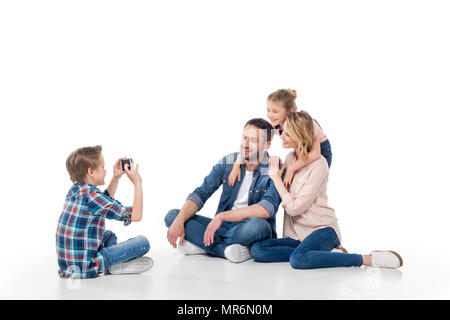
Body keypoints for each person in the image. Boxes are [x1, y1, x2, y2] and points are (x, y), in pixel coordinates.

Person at [250, 111, 403, 269]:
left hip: (322, 230)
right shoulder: (290, 159)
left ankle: (366, 259)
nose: (281, 136)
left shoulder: (319, 166)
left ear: (299, 137)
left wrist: (276, 178)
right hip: (296, 237)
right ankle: (322, 254)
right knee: (258, 250)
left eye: (287, 134)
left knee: (298, 260)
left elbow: (295, 209)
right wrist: (275, 167)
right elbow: (281, 194)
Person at [164, 118, 283, 263]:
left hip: (250, 227)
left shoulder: (275, 169)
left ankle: (204, 246)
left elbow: (266, 209)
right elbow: (201, 193)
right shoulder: (229, 162)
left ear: (267, 145)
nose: (245, 144)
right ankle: (229, 250)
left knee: (258, 226)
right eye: (244, 137)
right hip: (223, 227)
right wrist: (180, 219)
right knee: (173, 216)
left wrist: (222, 216)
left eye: (253, 140)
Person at [56, 145, 153, 278]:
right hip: (87, 267)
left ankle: (113, 264)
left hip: (70, 265)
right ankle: (112, 265)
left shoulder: (77, 190)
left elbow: (103, 202)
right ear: (91, 172)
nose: (105, 171)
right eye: (103, 167)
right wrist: (137, 183)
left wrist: (116, 178)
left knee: (109, 235)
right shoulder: (92, 197)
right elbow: (136, 215)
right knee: (143, 243)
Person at [228, 88, 332, 188]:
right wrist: (236, 165)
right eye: (268, 110)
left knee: (313, 182)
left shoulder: (304, 122)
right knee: (298, 182)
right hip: (301, 151)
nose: (270, 115)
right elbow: (250, 143)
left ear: (290, 112)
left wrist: (291, 169)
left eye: (275, 111)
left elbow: (315, 153)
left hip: (321, 151)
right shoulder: (275, 125)